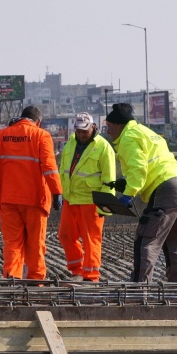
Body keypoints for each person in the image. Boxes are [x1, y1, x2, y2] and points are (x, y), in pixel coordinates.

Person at [105, 103, 177, 283]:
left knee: (146, 241)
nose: (107, 131)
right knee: (175, 245)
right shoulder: (144, 132)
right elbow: (150, 164)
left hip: (165, 190)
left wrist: (129, 194)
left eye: (109, 127)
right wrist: (125, 183)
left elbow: (138, 168)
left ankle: (140, 291)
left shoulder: (128, 137)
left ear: (119, 125)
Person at [0, 106, 63, 280]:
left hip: (7, 199)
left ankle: (12, 278)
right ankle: (35, 281)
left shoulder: (1, 135)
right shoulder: (42, 135)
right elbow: (49, 168)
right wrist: (57, 193)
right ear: (38, 122)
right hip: (35, 200)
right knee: (35, 244)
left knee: (12, 243)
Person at [58, 113, 116, 282]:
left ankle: (91, 276)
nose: (81, 134)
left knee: (91, 240)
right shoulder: (71, 143)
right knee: (65, 235)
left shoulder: (103, 147)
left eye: (85, 130)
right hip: (71, 199)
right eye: (78, 130)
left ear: (93, 127)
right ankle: (77, 270)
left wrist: (105, 205)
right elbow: (63, 170)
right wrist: (60, 193)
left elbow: (109, 179)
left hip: (91, 201)